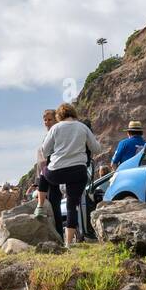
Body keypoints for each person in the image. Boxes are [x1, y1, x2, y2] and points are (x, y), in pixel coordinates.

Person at [38, 103, 102, 247]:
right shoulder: (83, 127)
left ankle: (40, 206)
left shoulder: (55, 128)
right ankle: (68, 244)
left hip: (57, 171)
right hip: (78, 171)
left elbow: (45, 150)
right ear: (73, 114)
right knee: (72, 206)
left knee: (43, 173)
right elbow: (97, 148)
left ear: (59, 116)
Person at [34, 109, 65, 239]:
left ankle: (59, 236)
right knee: (52, 206)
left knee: (55, 206)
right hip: (46, 176)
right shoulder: (49, 134)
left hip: (54, 174)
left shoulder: (56, 134)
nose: (47, 122)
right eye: (45, 120)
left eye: (49, 119)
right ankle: (55, 235)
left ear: (56, 119)